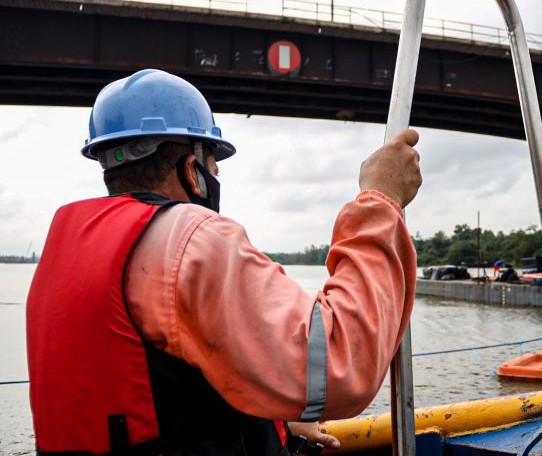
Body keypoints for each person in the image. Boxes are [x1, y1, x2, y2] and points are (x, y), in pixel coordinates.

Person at [26, 69, 423, 455]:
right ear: (193, 170)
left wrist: (276, 419)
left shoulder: (66, 251)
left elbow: (165, 390)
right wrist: (380, 200)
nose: (215, 176)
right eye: (213, 165)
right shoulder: (188, 240)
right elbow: (338, 366)